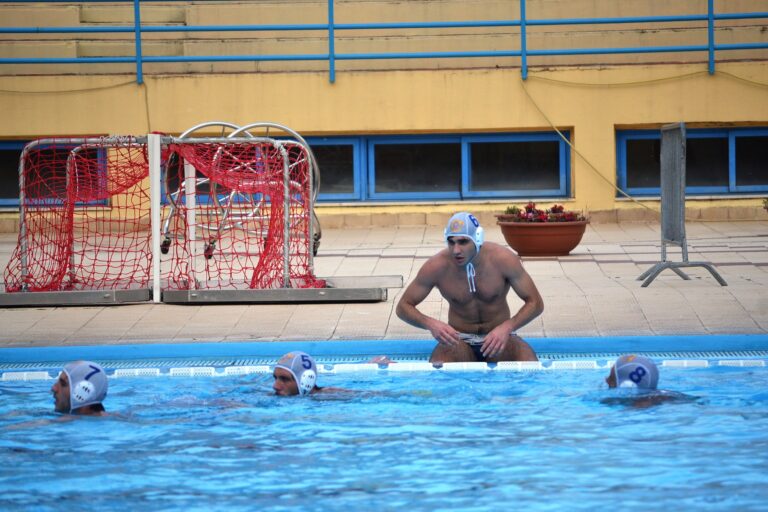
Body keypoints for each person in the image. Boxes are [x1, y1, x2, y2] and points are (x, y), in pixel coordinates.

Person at [396, 212, 544, 363]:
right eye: (451, 242)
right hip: (458, 340)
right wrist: (430, 324)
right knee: (437, 372)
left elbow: (536, 303)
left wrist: (508, 327)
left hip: (498, 337)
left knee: (529, 365)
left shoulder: (503, 259)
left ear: (477, 239)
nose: (456, 250)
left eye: (463, 242)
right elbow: (403, 307)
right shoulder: (437, 266)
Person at [272, 351, 348, 397]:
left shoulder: (333, 396)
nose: (275, 386)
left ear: (305, 380)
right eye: (275, 378)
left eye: (285, 379)